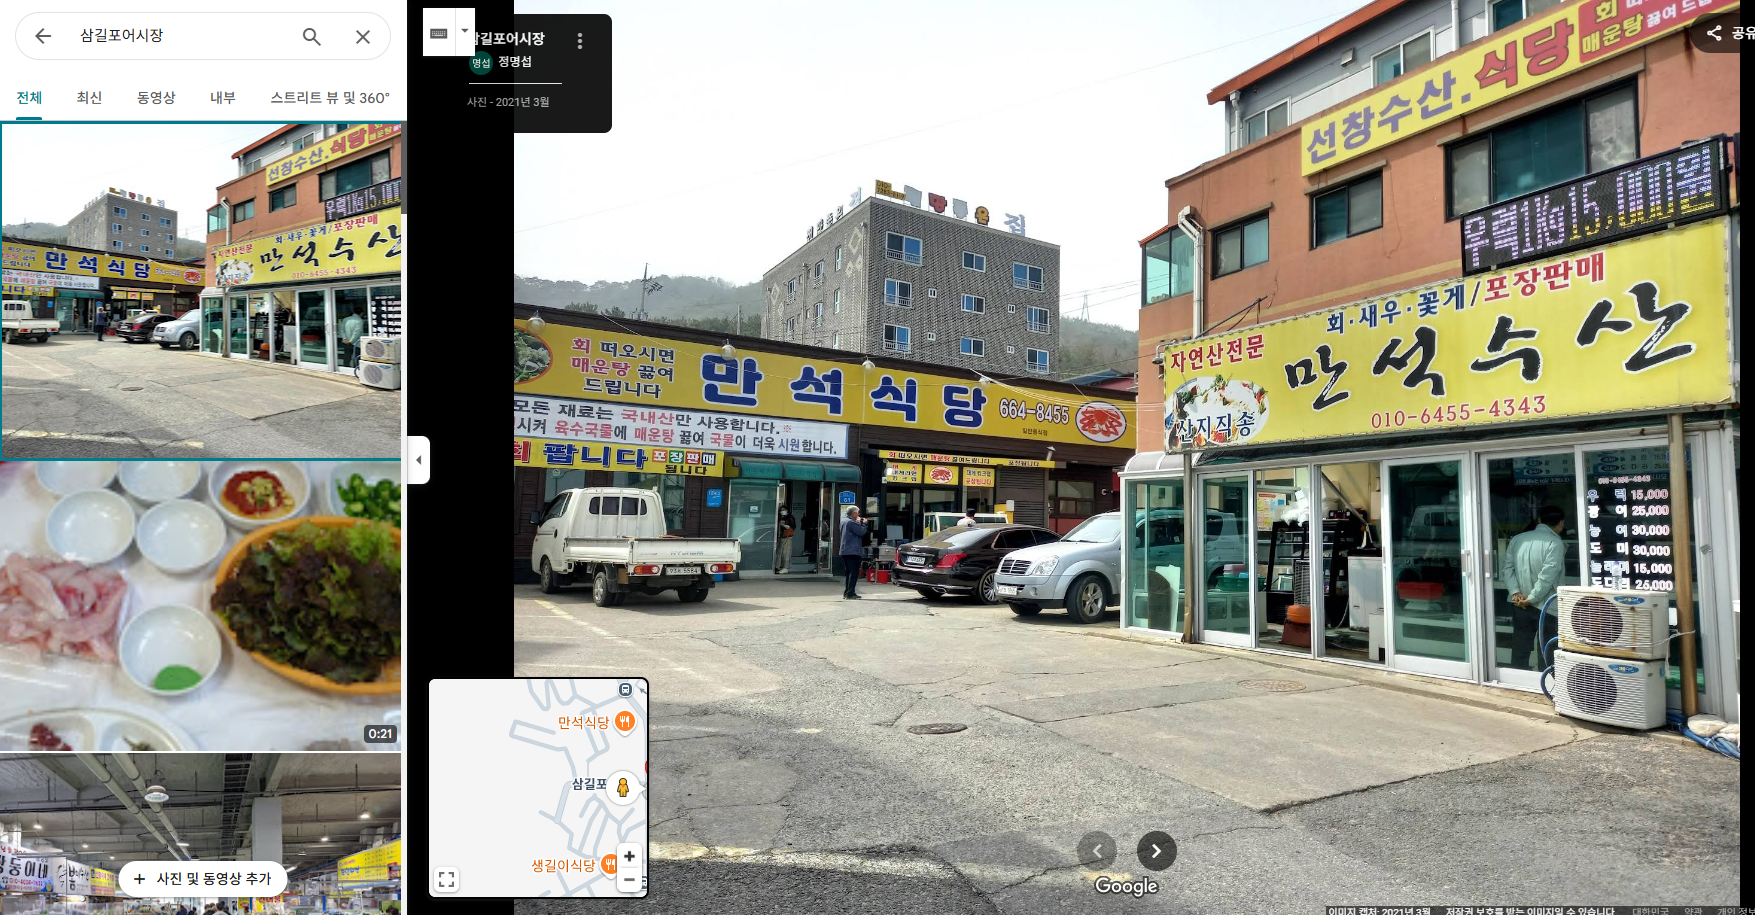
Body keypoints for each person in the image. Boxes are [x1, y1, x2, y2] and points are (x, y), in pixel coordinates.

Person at [1500, 505, 1567, 673]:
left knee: (1520, 647)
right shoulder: (1555, 542)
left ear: (1540, 520)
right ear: (1561, 523)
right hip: (1547, 606)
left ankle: (1517, 679)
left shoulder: (1518, 539)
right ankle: (1546, 682)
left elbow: (1507, 569)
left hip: (1519, 604)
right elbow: (1547, 576)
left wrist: (1515, 592)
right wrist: (1532, 599)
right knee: (1547, 650)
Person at [839, 506, 869, 599]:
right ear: (854, 513)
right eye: (858, 512)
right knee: (854, 573)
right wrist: (864, 524)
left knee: (849, 572)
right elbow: (861, 532)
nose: (859, 514)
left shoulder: (843, 521)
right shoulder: (851, 522)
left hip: (845, 550)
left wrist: (858, 523)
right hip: (853, 551)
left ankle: (847, 592)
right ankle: (850, 593)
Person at [775, 507, 796, 573]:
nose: (782, 511)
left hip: (787, 536)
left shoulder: (790, 517)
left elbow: (793, 526)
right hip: (781, 536)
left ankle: (785, 567)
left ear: (787, 510)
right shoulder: (780, 517)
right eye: (781, 510)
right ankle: (778, 566)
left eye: (783, 510)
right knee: (779, 552)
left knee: (786, 552)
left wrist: (784, 525)